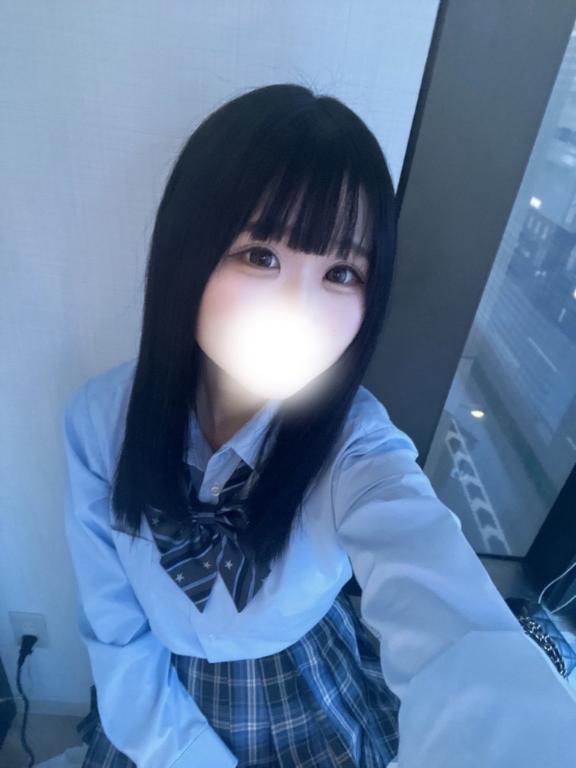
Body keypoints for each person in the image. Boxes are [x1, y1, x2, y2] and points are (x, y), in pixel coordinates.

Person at [62, 84, 576, 768]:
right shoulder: (100, 421)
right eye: (261, 255)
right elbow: (117, 635)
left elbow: (457, 631)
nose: (298, 308)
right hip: (157, 697)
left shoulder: (357, 450)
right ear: (188, 250)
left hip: (303, 688)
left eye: (341, 272)